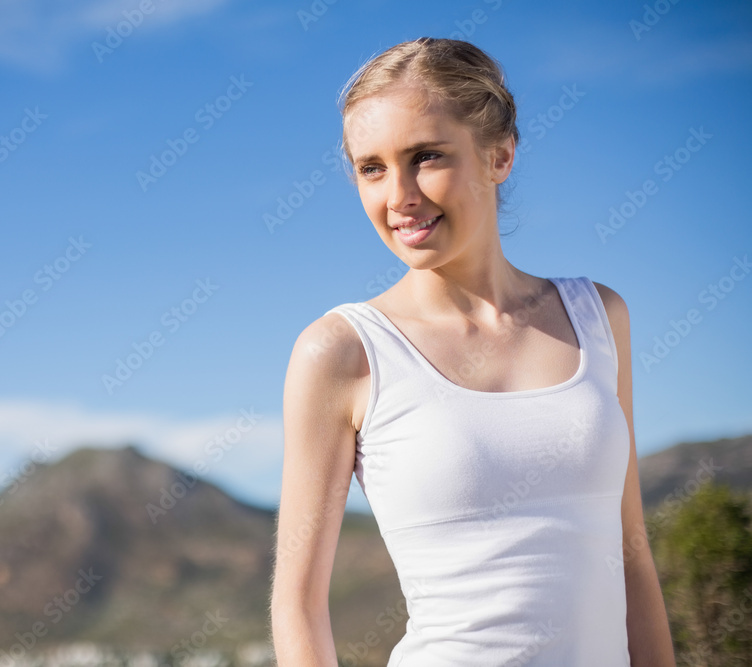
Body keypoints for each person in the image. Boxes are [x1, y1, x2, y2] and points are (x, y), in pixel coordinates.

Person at [269, 37, 676, 666]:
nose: (399, 195)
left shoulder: (599, 317)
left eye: (426, 156)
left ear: (500, 154)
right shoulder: (343, 351)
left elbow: (631, 554)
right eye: (371, 167)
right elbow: (298, 605)